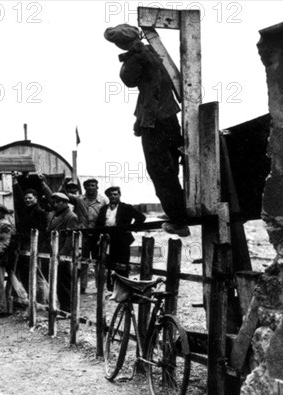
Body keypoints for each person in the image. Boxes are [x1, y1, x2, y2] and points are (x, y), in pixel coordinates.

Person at [104, 23, 190, 238]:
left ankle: (179, 221)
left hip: (155, 122)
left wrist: (144, 122)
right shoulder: (151, 52)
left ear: (121, 43)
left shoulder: (138, 56)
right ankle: (178, 213)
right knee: (171, 169)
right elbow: (151, 90)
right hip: (169, 118)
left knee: (159, 172)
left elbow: (129, 80)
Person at [61, 177, 109, 294]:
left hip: (98, 234)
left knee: (99, 261)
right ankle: (82, 287)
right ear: (85, 187)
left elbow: (107, 216)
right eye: (88, 185)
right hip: (83, 234)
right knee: (82, 261)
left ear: (97, 187)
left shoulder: (103, 200)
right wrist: (64, 184)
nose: (91, 187)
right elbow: (63, 195)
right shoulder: (79, 199)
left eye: (93, 185)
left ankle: (101, 287)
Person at [95, 186, 146, 289]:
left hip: (122, 240)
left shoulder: (126, 207)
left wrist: (132, 228)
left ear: (119, 195)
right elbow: (99, 224)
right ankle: (111, 288)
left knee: (122, 264)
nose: (113, 196)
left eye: (115, 194)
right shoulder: (104, 208)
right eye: (111, 194)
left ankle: (123, 287)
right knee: (109, 263)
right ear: (108, 196)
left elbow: (141, 217)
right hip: (108, 240)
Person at [12, 174, 50, 304]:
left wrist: (34, 242)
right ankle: (31, 298)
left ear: (36, 198)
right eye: (26, 198)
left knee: (35, 273)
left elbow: (42, 232)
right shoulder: (25, 211)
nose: (27, 200)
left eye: (30, 198)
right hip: (24, 244)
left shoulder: (40, 213)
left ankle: (40, 300)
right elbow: (18, 196)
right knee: (25, 272)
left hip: (34, 245)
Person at [45, 192, 80, 313]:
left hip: (62, 254)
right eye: (55, 202)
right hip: (53, 251)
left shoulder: (71, 217)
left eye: (59, 202)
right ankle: (62, 307)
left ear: (65, 203)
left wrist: (62, 255)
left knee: (64, 282)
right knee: (57, 281)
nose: (56, 204)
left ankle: (68, 309)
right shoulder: (54, 214)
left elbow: (70, 239)